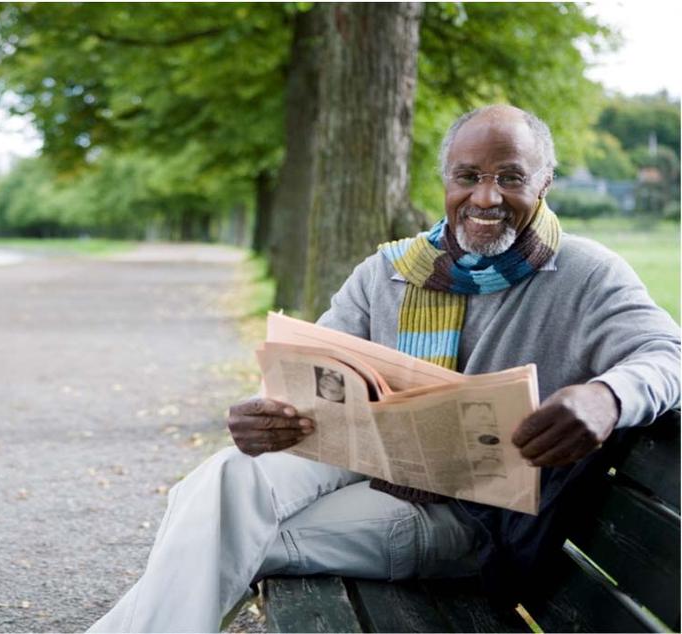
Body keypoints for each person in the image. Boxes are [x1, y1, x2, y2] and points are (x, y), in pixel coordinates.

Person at [89, 105, 680, 633]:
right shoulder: (389, 271)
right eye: (468, 176)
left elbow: (669, 355)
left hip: (467, 518)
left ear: (545, 182)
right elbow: (312, 375)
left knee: (211, 531)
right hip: (360, 468)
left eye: (511, 177)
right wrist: (262, 413)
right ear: (446, 180)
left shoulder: (587, 274)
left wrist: (607, 396)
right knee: (221, 483)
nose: (486, 197)